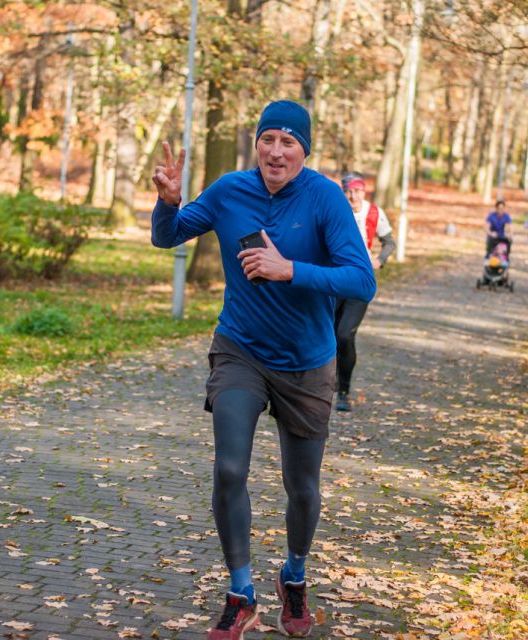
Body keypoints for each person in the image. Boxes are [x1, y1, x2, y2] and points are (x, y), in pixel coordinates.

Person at [151, 100, 376, 640]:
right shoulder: (230, 190)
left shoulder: (323, 198)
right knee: (229, 470)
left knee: (302, 487)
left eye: (288, 141)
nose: (277, 150)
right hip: (240, 350)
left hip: (306, 362)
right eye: (267, 138)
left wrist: (289, 269)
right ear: (257, 143)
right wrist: (168, 203)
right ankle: (241, 592)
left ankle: (293, 577)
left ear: (304, 149)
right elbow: (168, 235)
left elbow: (361, 280)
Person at [334, 172, 396, 412]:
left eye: (358, 190)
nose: (353, 195)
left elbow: (389, 241)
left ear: (364, 191)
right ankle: (324, 380)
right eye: (348, 190)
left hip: (359, 281)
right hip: (332, 278)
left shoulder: (373, 213)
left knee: (345, 335)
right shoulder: (334, 208)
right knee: (327, 333)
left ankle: (343, 391)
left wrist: (380, 260)